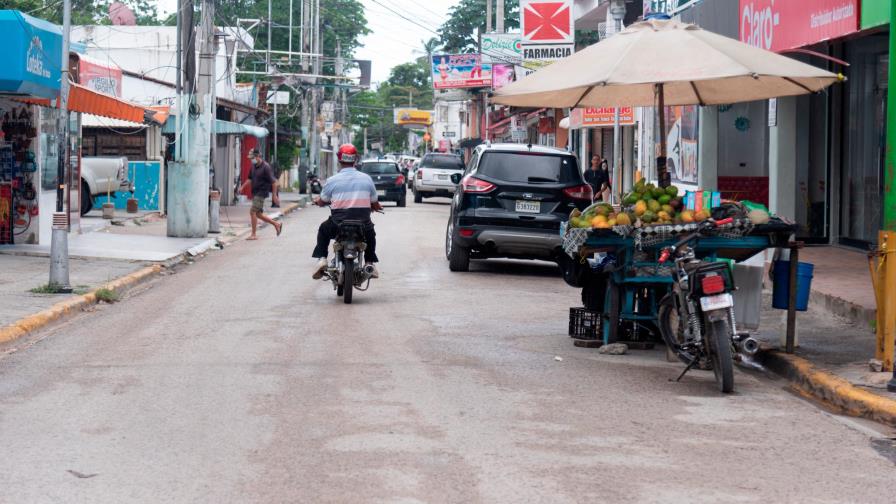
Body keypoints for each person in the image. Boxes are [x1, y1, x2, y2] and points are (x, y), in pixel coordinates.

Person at [312, 144, 382, 280]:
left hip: (337, 225)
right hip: (362, 226)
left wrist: (317, 201)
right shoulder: (367, 179)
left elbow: (323, 201)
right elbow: (375, 203)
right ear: (355, 159)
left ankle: (322, 259)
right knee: (371, 234)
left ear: (339, 159)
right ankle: (369, 263)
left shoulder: (332, 180)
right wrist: (376, 207)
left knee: (323, 230)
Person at [239, 148, 282, 240]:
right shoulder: (253, 166)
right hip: (255, 192)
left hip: (261, 193)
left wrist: (274, 196)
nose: (251, 160)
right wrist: (242, 187)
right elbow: (250, 179)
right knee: (258, 214)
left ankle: (254, 234)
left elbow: (274, 182)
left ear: (258, 156)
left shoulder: (266, 167)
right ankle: (276, 224)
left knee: (252, 212)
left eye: (252, 158)